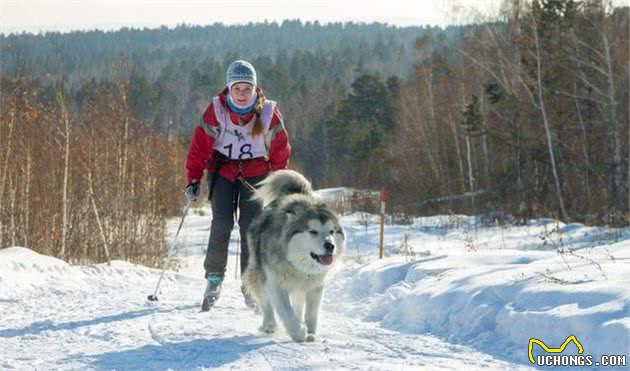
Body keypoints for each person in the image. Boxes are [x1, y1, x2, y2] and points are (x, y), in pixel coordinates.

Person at [184, 60, 291, 311]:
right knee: (221, 223)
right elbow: (199, 148)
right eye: (237, 89)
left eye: (247, 89)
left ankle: (249, 284)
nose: (242, 95)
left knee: (251, 227)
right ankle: (214, 279)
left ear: (254, 89)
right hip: (223, 172)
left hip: (256, 175)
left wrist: (279, 184)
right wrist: (193, 178)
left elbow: (280, 151)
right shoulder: (217, 110)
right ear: (229, 88)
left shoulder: (268, 112)